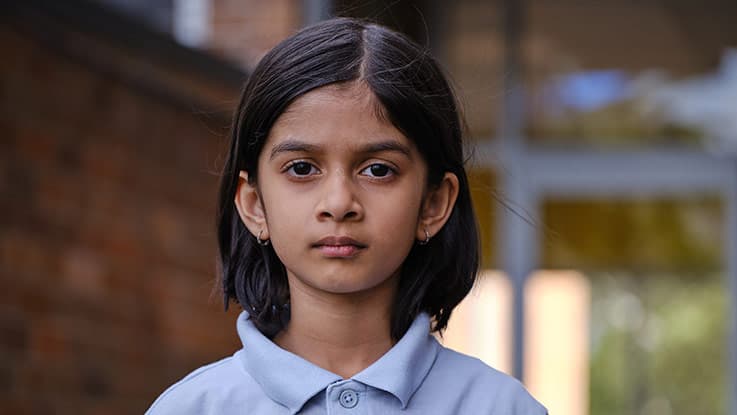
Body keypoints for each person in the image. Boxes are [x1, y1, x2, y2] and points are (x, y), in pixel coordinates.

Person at [146, 17, 547, 414]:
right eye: (302, 168)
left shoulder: (500, 407)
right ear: (254, 205)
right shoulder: (195, 407)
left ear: (434, 203)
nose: (339, 203)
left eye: (378, 169)